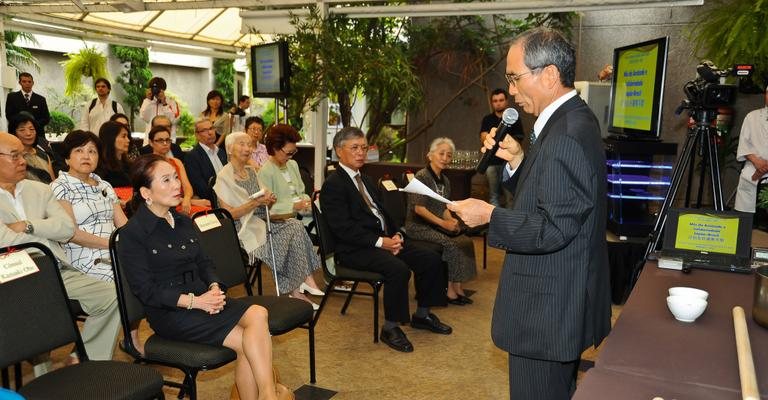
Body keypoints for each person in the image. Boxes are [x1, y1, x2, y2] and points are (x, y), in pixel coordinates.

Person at [448, 28, 612, 399]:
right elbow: (556, 196)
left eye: (514, 77)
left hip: (547, 311)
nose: (511, 90)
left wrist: (490, 215)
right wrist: (520, 162)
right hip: (560, 299)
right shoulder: (568, 120)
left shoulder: (566, 133)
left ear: (549, 75)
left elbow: (554, 227)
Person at [117, 154, 285, 400]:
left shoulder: (184, 222)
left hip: (206, 298)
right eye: (166, 180)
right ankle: (268, 397)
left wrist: (215, 286)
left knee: (258, 316)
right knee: (248, 343)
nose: (177, 185)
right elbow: (146, 291)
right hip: (173, 313)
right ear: (146, 192)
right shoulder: (133, 233)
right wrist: (196, 302)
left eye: (176, 177)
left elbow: (205, 263)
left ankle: (267, 396)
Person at [320, 127, 451, 353]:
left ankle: (422, 314)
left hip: (382, 240)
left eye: (363, 147)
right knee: (398, 269)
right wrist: (382, 243)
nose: (361, 153)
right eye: (354, 148)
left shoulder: (367, 180)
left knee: (431, 257)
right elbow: (343, 229)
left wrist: (397, 234)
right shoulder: (333, 185)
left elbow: (382, 215)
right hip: (354, 249)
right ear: (339, 151)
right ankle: (390, 327)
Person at [0, 132, 120, 364]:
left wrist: (28, 225)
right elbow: (4, 240)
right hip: (10, 278)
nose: (23, 161)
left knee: (113, 295)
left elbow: (65, 229)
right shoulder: (58, 186)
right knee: (39, 321)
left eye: (23, 155)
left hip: (55, 270)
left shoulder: (39, 189)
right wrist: (46, 232)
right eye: (14, 156)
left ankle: (88, 361)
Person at [50, 130, 143, 354]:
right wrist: (112, 245)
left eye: (92, 151)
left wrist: (137, 243)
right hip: (81, 256)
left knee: (151, 269)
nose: (86, 156)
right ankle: (90, 354)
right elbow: (72, 234)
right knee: (125, 283)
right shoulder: (60, 187)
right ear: (66, 158)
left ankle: (130, 338)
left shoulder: (104, 186)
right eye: (79, 151)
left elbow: (123, 225)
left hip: (113, 250)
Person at [214, 132, 324, 309]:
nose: (247, 148)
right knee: (288, 236)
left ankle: (300, 286)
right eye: (241, 144)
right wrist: (254, 203)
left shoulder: (251, 171)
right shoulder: (223, 176)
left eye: (249, 144)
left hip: (261, 220)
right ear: (229, 149)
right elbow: (229, 215)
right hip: (241, 228)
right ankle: (299, 286)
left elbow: (265, 199)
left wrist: (269, 199)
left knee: (294, 225)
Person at [405, 137, 476, 305]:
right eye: (441, 153)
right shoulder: (421, 177)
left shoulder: (445, 181)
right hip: (418, 226)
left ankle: (458, 286)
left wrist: (451, 221)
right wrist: (443, 224)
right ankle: (449, 291)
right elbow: (419, 209)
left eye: (449, 155)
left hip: (436, 224)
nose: (445, 158)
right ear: (430, 155)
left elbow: (444, 207)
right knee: (450, 244)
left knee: (464, 241)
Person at [148, 125, 210, 215]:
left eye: (167, 140)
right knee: (202, 213)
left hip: (182, 203)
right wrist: (192, 201)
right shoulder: (148, 164)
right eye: (160, 140)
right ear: (150, 142)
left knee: (208, 209)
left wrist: (187, 199)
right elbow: (160, 194)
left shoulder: (176, 162)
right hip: (162, 206)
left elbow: (187, 187)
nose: (165, 143)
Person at [479, 88, 523, 208]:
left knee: (510, 196)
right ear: (492, 103)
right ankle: (494, 223)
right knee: (493, 195)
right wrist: (490, 138)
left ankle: (510, 223)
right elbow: (483, 137)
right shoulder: (487, 119)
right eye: (495, 101)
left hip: (509, 163)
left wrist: (499, 139)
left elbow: (519, 138)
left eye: (501, 100)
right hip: (491, 163)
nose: (498, 103)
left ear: (506, 101)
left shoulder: (514, 118)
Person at [257, 124, 312, 217]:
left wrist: (307, 202)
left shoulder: (293, 164)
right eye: (288, 153)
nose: (291, 156)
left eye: (293, 152)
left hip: (303, 213)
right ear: (275, 149)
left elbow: (301, 192)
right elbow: (267, 207)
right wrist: (294, 206)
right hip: (283, 219)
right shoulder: (265, 172)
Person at [734, 85, 768, 213]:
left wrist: (764, 168)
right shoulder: (751, 116)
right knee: (745, 218)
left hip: (762, 171)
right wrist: (757, 162)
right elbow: (744, 143)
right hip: (751, 169)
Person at [184, 119, 227, 202]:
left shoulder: (221, 152)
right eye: (204, 130)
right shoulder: (192, 157)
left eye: (211, 128)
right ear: (197, 135)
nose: (210, 133)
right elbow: (201, 189)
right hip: (212, 201)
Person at [9, 113, 55, 183]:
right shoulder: (12, 158)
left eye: (31, 129)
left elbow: (53, 183)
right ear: (13, 133)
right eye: (22, 130)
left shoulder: (44, 155)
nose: (28, 133)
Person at [139, 76, 180, 142]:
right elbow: (143, 117)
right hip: (150, 142)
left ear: (163, 89)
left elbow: (174, 120)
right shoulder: (148, 102)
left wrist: (164, 104)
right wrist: (148, 100)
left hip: (167, 142)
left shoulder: (172, 103)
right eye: (153, 88)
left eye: (157, 88)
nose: (155, 90)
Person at [97, 120, 133, 189]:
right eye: (123, 136)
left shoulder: (129, 165)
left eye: (127, 136)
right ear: (111, 138)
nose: (128, 140)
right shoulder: (101, 168)